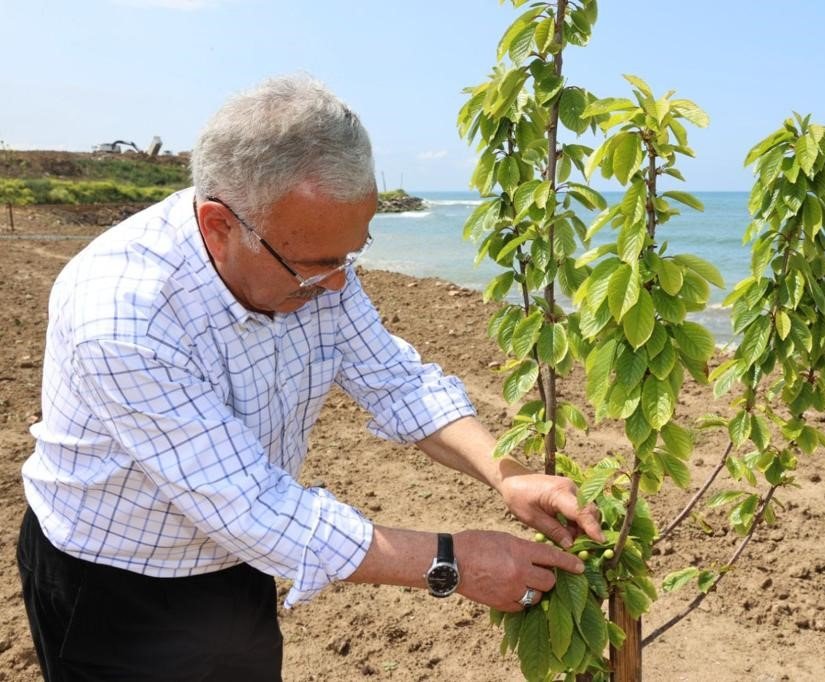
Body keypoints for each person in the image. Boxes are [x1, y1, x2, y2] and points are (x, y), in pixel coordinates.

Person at [17, 74, 603, 681]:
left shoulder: (311, 264)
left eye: (353, 252)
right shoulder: (122, 312)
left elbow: (396, 381)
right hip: (115, 584)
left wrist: (508, 475)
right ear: (220, 225)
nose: (340, 285)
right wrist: (453, 562)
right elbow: (251, 506)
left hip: (236, 567)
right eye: (317, 265)